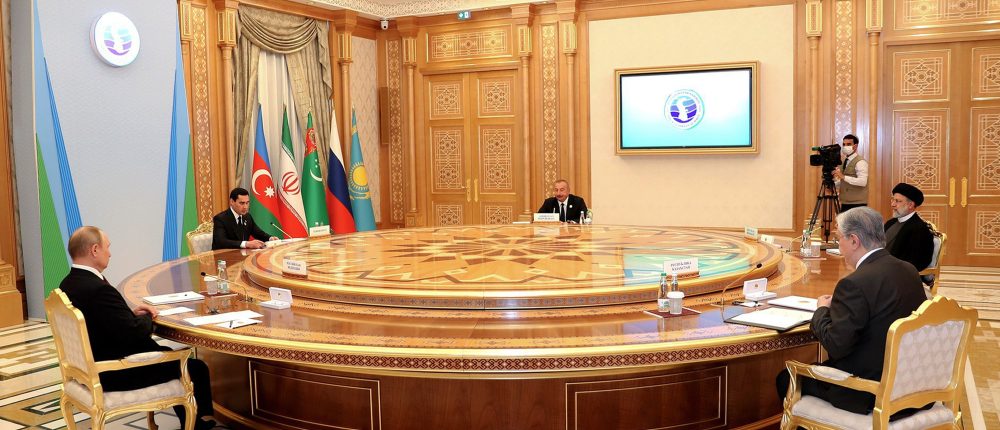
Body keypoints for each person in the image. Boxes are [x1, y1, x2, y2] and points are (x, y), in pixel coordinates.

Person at [59, 226, 216, 430]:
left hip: (86, 371)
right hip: (114, 372)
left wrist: (128, 314)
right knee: (194, 367)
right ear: (95, 250)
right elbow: (133, 333)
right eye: (108, 247)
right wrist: (150, 317)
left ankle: (193, 423)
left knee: (169, 355)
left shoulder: (68, 284)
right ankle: (196, 425)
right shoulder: (98, 289)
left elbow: (99, 319)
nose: (110, 253)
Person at [776, 207, 927, 417]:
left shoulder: (854, 284)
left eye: (839, 239)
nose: (839, 245)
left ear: (854, 240)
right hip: (912, 386)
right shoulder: (909, 270)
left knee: (786, 378)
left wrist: (821, 310)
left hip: (869, 392)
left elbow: (836, 345)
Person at [885, 183, 935, 271]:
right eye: (893, 200)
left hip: (898, 273)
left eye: (898, 201)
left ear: (910, 205)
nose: (893, 204)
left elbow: (917, 262)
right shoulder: (890, 223)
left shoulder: (920, 229)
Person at [212, 187, 277, 250]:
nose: (245, 207)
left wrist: (270, 238)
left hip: (242, 254)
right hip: (223, 255)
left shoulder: (247, 217)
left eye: (247, 203)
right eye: (242, 203)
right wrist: (246, 244)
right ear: (232, 201)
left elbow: (258, 233)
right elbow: (221, 242)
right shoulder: (220, 219)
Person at [833, 134, 869, 212]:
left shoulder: (860, 162)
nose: (845, 146)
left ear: (855, 146)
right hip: (845, 202)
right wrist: (833, 184)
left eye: (848, 144)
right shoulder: (844, 161)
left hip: (857, 204)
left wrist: (843, 177)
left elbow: (863, 182)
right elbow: (844, 182)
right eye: (844, 144)